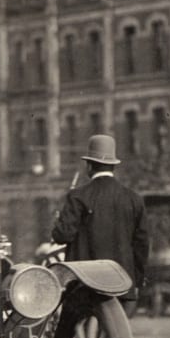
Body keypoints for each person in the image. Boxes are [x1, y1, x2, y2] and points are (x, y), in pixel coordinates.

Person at [50, 134, 149, 315]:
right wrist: (137, 280)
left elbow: (62, 235)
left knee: (64, 335)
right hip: (122, 283)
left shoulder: (78, 196)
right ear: (113, 166)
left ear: (89, 166)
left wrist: (58, 221)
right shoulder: (133, 198)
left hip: (84, 284)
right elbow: (141, 245)